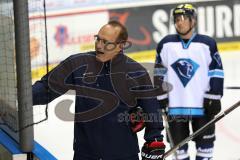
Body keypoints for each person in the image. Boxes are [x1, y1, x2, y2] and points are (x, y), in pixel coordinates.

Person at [32, 20, 165, 160]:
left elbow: (151, 109)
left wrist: (154, 141)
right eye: (98, 39)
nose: (99, 45)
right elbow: (47, 87)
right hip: (85, 154)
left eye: (105, 42)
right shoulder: (78, 64)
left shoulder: (136, 72)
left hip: (123, 154)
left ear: (120, 46)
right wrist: (22, 97)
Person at [154, 4, 224, 160]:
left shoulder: (207, 44)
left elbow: (216, 71)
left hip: (203, 107)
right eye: (177, 19)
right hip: (175, 108)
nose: (181, 22)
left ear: (194, 21)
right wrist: (160, 99)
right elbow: (159, 73)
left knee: (205, 151)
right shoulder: (165, 44)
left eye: (185, 18)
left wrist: (214, 96)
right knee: (179, 153)